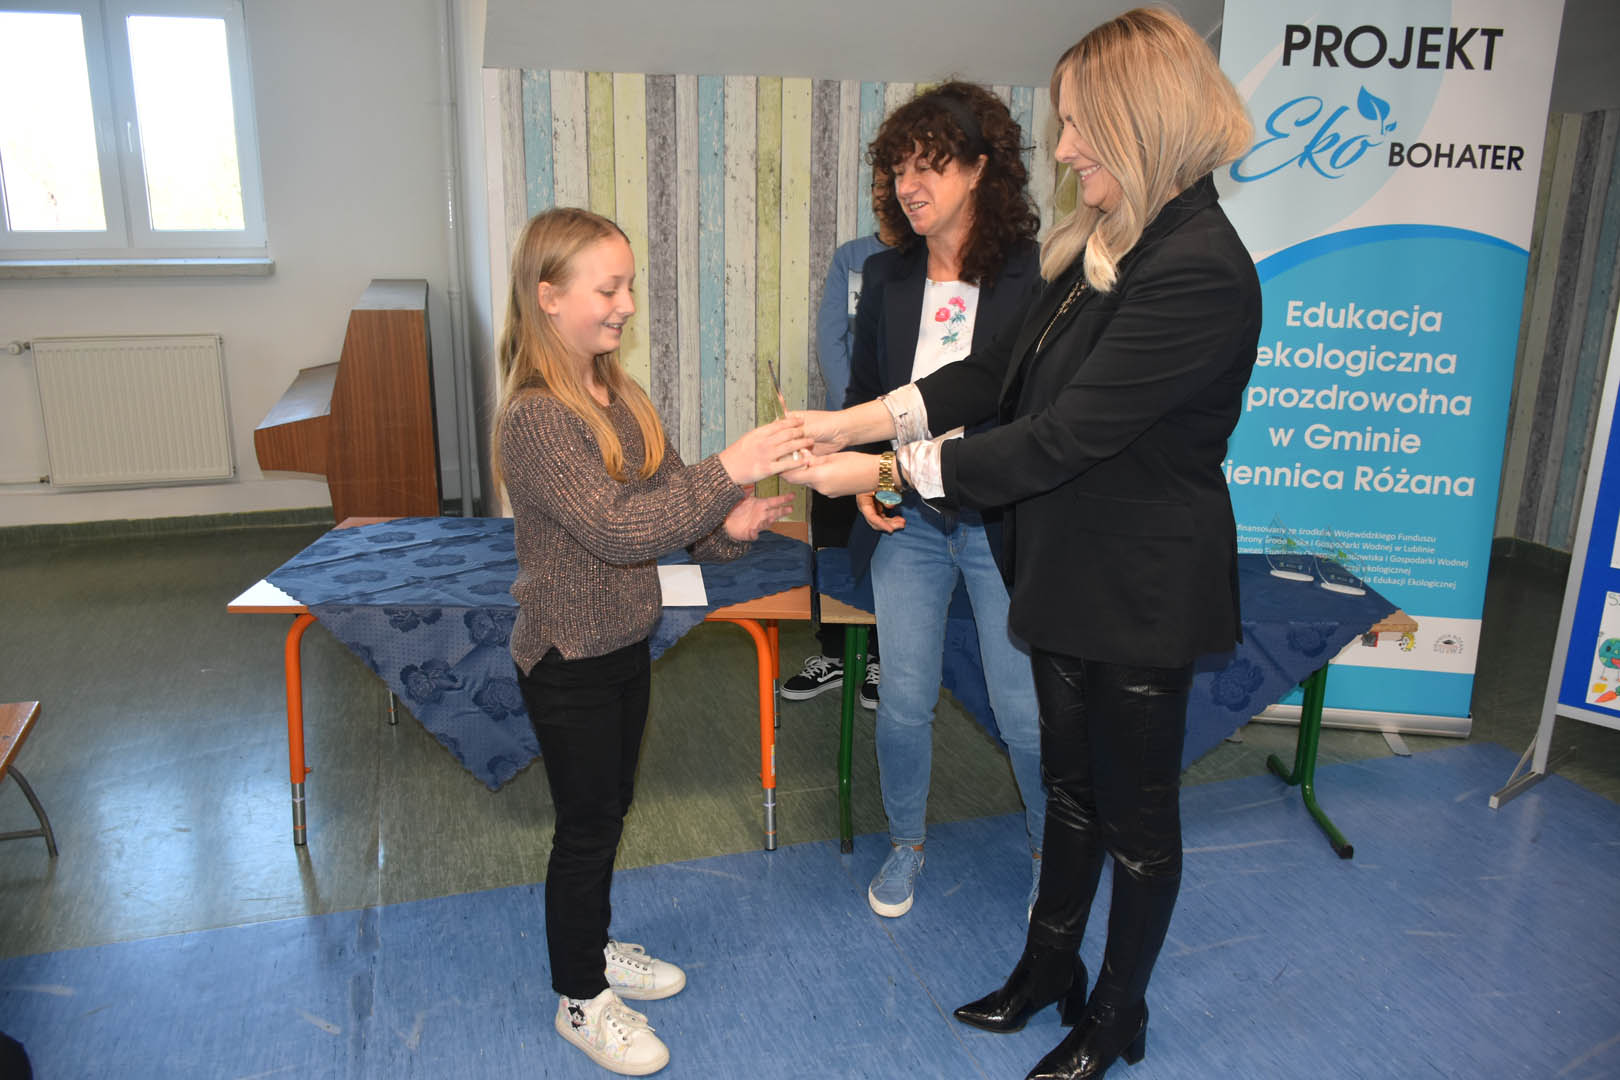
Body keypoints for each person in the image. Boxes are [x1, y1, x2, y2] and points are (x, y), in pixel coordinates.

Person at [785, 9, 1260, 1078]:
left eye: (1082, 123)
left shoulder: (1197, 268)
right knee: (1072, 792)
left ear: (1143, 120)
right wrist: (850, 423)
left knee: (1137, 823)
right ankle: (1049, 970)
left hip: (1140, 588)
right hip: (1067, 568)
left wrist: (880, 473)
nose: (1067, 146)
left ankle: (1117, 1015)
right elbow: (987, 378)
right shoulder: (1104, 243)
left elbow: (1060, 437)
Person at [494, 207, 809, 1076]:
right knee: (587, 827)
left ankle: (592, 947)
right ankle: (579, 996)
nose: (627, 304)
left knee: (610, 810)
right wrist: (732, 465)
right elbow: (617, 529)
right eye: (609, 288)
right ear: (548, 297)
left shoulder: (619, 394)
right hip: (567, 659)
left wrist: (730, 524)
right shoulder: (536, 419)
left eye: (628, 285)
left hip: (625, 644)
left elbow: (674, 512)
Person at [842, 81, 1048, 922]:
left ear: (979, 170)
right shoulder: (886, 276)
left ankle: (1053, 852)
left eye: (928, 166)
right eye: (897, 169)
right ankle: (906, 844)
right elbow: (865, 397)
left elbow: (1030, 412)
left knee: (1023, 710)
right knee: (903, 699)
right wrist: (867, 477)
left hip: (1001, 518)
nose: (909, 186)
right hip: (910, 518)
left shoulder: (1037, 275)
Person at [781, 229, 890, 709]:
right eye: (883, 192)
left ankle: (882, 656)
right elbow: (831, 338)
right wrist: (855, 418)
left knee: (888, 534)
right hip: (844, 422)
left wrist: (889, 416)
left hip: (903, 432)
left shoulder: (933, 254)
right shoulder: (852, 257)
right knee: (832, 534)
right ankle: (834, 653)